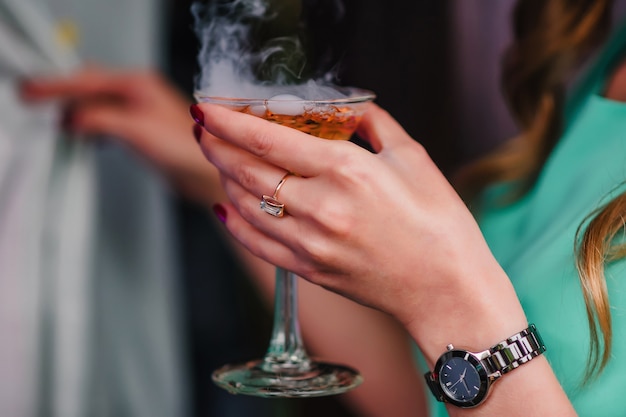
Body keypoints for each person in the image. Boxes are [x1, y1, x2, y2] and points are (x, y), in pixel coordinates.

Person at [188, 0, 626, 415]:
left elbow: (449, 322)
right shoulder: (611, 61)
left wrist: (443, 293)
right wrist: (211, 170)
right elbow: (426, 402)